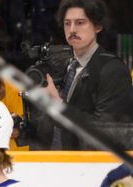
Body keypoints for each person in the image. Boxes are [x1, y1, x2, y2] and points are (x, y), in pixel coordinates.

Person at [36, 0, 132, 150]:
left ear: (98, 26)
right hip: (55, 161)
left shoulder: (113, 69)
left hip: (90, 166)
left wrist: (60, 106)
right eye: (67, 23)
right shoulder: (66, 66)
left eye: (80, 23)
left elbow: (109, 133)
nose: (72, 29)